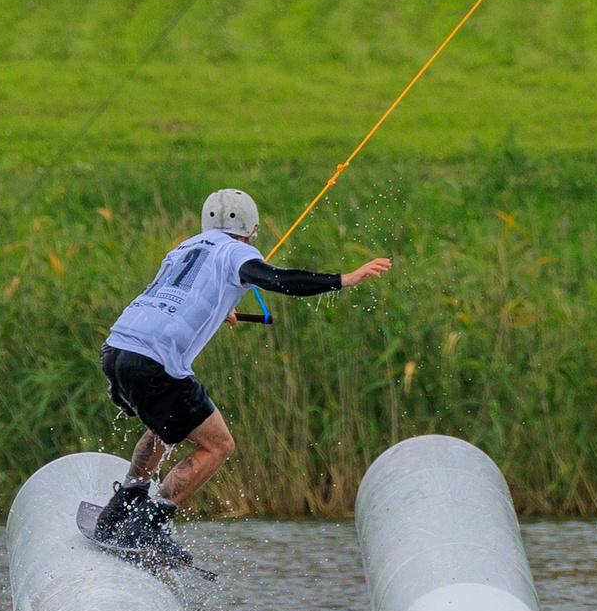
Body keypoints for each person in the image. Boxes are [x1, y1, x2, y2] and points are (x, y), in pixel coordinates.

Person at [91, 190, 393, 567]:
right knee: (217, 445)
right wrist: (344, 279)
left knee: (165, 423)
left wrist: (221, 307)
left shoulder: (184, 248)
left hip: (117, 349)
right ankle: (150, 523)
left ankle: (123, 507)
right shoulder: (236, 253)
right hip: (156, 361)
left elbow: (175, 293)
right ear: (251, 231)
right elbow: (277, 279)